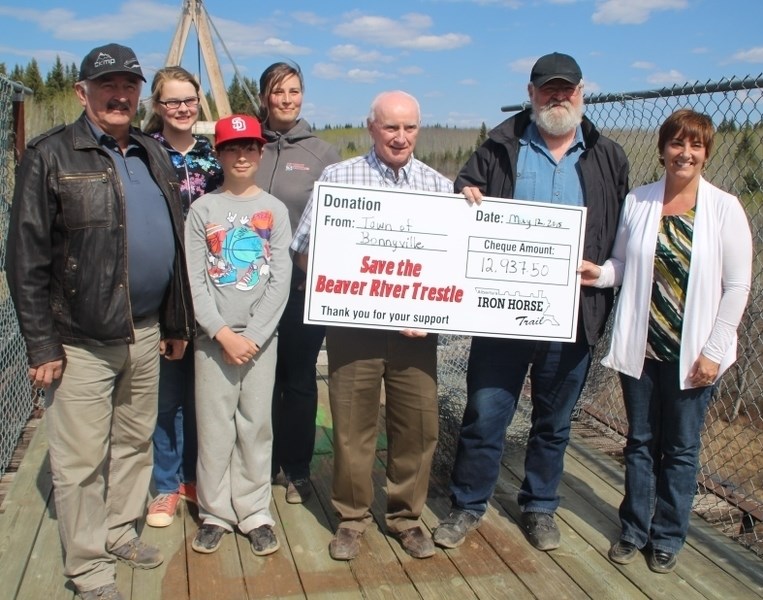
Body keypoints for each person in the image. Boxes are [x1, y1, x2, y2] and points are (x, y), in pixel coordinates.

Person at [6, 43, 194, 600]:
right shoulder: (50, 155)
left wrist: (175, 323)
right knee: (80, 460)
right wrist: (41, 345)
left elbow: (174, 245)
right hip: (80, 340)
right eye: (107, 85)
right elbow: (25, 258)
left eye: (129, 85)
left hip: (145, 332)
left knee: (135, 442)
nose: (120, 95)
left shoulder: (149, 152)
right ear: (81, 92)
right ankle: (88, 566)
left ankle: (117, 531)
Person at [432, 52, 629, 552]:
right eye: (548, 89)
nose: (557, 97)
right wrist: (465, 195)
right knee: (485, 412)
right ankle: (468, 503)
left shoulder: (608, 156)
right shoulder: (501, 146)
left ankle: (540, 506)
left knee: (554, 421)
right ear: (531, 92)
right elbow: (464, 191)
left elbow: (621, 231)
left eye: (567, 89)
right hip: (502, 312)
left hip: (573, 314)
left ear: (582, 92)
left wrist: (604, 275)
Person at [578, 109, 752, 573]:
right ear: (662, 149)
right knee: (640, 442)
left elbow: (737, 286)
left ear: (706, 153)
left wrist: (715, 351)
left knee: (680, 449)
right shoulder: (639, 202)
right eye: (677, 143)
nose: (686, 153)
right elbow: (621, 265)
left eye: (695, 146)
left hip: (693, 356)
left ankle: (669, 535)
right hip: (645, 349)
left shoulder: (724, 208)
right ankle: (634, 528)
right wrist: (598, 274)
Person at [291, 90, 452, 561]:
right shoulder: (338, 178)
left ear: (419, 129)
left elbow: (452, 267)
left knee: (418, 428)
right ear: (371, 127)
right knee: (351, 428)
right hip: (352, 332)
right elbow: (302, 250)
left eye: (409, 127)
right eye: (390, 127)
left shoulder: (440, 187)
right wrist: (340, 289)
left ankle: (405, 517)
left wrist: (435, 312)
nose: (400, 137)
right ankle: (351, 518)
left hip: (415, 336)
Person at [184, 114, 292, 557]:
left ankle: (253, 511)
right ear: (220, 154)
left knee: (255, 425)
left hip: (260, 344)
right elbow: (196, 280)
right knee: (214, 428)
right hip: (214, 344)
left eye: (250, 147)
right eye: (231, 147)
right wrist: (222, 333)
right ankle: (215, 513)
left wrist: (256, 335)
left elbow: (280, 276)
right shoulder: (202, 210)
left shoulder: (275, 209)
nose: (241, 155)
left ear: (261, 152)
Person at [255, 61, 341, 504]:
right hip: (249, 289)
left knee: (299, 379)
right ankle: (260, 464)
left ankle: (297, 468)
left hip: (300, 289)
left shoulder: (321, 155)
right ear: (264, 97)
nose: (287, 100)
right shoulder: (249, 145)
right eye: (278, 92)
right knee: (258, 379)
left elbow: (341, 221)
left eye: (294, 91)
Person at [143, 65, 223, 528]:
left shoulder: (215, 158)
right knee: (167, 394)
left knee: (204, 394)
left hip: (209, 290)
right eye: (172, 101)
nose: (181, 109)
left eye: (188, 100)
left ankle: (199, 477)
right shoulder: (142, 156)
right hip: (164, 288)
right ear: (157, 106)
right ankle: (167, 484)